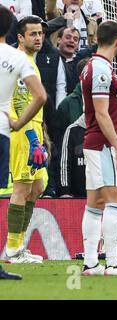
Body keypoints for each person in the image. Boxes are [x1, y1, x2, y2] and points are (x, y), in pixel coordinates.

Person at [80, 20, 117, 276]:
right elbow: (102, 114)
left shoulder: (91, 67)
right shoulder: (102, 69)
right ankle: (113, 262)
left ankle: (91, 262)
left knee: (95, 203)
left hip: (94, 142)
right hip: (102, 143)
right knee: (116, 199)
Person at [0, 5, 46, 276]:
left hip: (34, 131)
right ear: (20, 37)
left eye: (40, 33)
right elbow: (19, 102)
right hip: (21, 133)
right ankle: (13, 249)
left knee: (37, 186)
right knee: (22, 187)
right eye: (32, 34)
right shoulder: (18, 60)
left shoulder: (29, 61)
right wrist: (31, 136)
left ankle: (16, 246)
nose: (38, 38)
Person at [59, 114, 86, 197]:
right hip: (76, 194)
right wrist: (65, 191)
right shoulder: (72, 130)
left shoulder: (107, 128)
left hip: (102, 193)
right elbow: (65, 163)